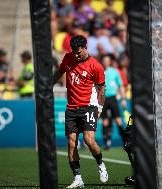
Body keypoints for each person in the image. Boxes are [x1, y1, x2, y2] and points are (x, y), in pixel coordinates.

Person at [52, 35, 108, 188]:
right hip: (71, 107)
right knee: (71, 144)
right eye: (74, 52)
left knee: (89, 141)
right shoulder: (68, 58)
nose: (76, 55)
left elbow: (101, 88)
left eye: (78, 52)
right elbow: (60, 71)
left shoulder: (95, 66)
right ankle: (78, 179)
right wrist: (49, 84)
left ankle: (100, 164)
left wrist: (100, 107)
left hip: (88, 106)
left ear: (85, 48)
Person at [100, 54, 126, 150]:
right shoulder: (100, 71)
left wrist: (123, 99)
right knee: (105, 122)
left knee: (118, 121)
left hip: (113, 98)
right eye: (104, 60)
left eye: (107, 60)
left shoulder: (115, 72)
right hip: (103, 99)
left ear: (110, 61)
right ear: (102, 61)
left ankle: (125, 142)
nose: (106, 62)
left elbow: (121, 85)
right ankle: (107, 143)